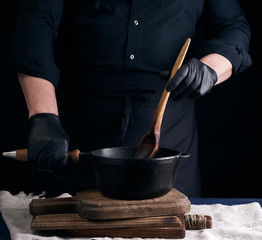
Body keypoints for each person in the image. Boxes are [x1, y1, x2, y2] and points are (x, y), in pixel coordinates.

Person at [12, 0, 251, 197]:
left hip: (170, 154)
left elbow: (233, 26)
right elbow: (35, 25)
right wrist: (43, 117)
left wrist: (209, 70)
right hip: (75, 144)